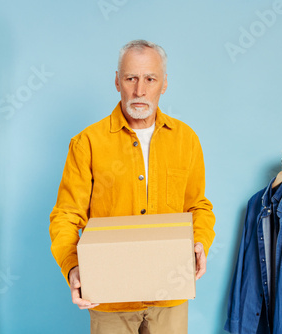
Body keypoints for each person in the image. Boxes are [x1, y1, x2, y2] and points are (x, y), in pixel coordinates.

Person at [49, 39, 215, 334]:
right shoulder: (87, 143)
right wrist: (73, 267)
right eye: (131, 78)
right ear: (117, 81)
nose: (140, 90)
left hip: (170, 296)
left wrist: (200, 242)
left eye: (150, 79)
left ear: (164, 84)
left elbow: (198, 206)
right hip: (109, 298)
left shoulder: (186, 139)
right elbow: (66, 215)